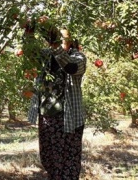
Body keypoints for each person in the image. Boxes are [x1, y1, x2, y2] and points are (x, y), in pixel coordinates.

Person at [27, 26, 87, 180]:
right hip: (47, 117)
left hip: (69, 119)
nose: (59, 43)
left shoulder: (78, 58)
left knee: (68, 162)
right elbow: (30, 54)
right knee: (49, 159)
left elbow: (70, 67)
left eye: (63, 40)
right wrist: (29, 32)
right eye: (57, 39)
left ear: (71, 41)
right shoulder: (46, 56)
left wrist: (55, 46)